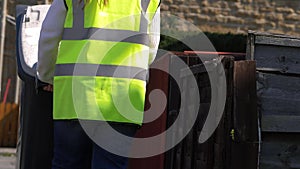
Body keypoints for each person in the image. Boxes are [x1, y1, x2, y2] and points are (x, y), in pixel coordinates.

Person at [36, 0, 160, 168]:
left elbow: (48, 37)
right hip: (123, 100)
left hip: (75, 97)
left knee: (67, 163)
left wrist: (47, 76)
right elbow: (151, 49)